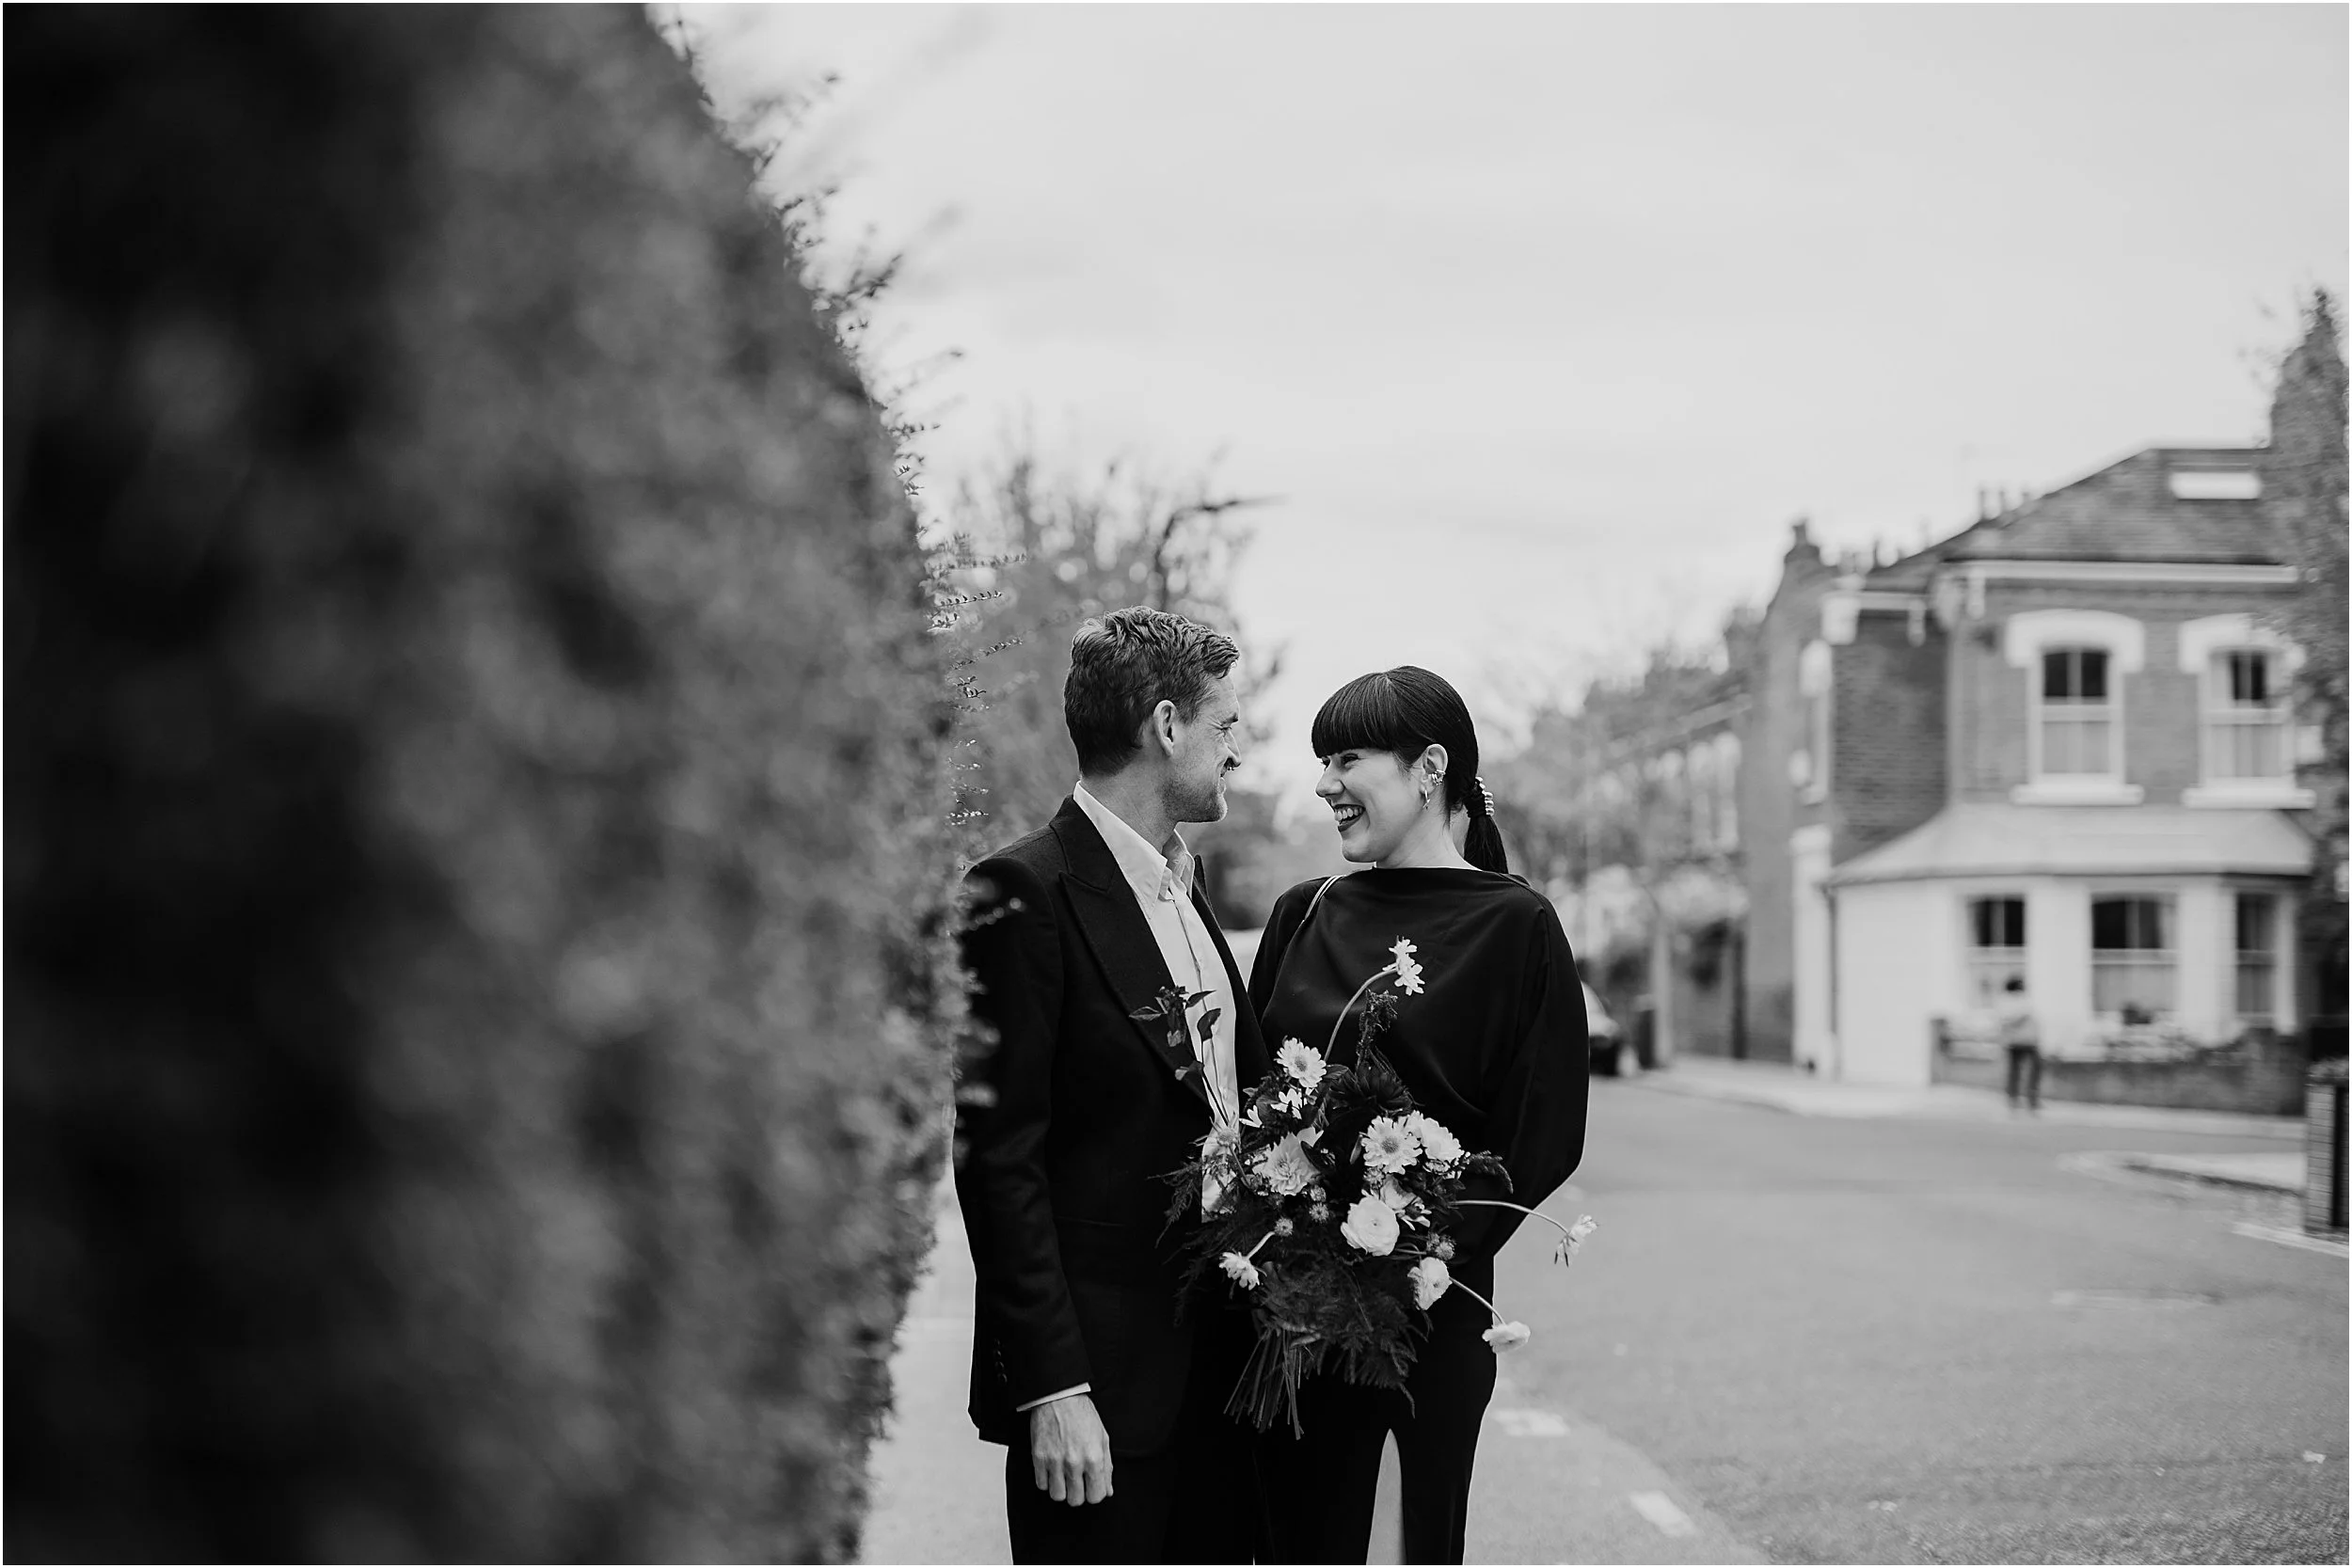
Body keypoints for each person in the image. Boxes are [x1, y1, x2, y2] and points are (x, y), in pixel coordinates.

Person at [1249, 666, 1590, 1564]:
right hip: (1290, 1322)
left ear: (1431, 767)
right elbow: (1253, 1101)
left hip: (1424, 1327)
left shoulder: (1517, 925)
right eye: (1322, 761)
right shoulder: (1303, 912)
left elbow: (1544, 1133)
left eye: (1347, 759)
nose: (1324, 783)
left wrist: (1410, 1255)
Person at [954, 607, 1269, 1564]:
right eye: (1226, 724)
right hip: (1097, 1405)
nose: (1238, 749)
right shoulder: (1019, 892)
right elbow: (998, 1161)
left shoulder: (1187, 888)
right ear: (1166, 726)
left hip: (1224, 1389)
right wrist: (1053, 1388)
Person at [1999, 974, 2042, 1112]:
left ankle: (2030, 1099)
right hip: (2017, 1041)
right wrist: (2021, 1016)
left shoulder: (2022, 1000)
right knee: (2016, 1071)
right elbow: (2007, 1019)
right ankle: (2015, 1098)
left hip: (2028, 1040)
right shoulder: (2007, 1001)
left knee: (2032, 1070)